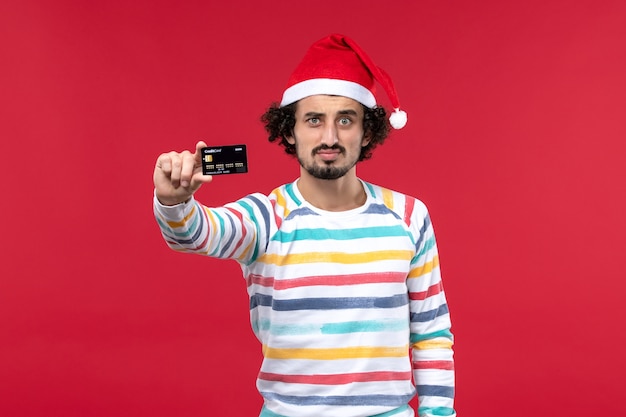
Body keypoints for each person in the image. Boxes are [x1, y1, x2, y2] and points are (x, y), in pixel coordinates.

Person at [153, 34, 455, 417]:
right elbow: (196, 234)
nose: (329, 137)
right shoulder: (265, 218)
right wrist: (174, 199)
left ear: (367, 132)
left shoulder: (410, 216)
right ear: (291, 130)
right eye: (314, 120)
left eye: (345, 120)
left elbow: (431, 335)